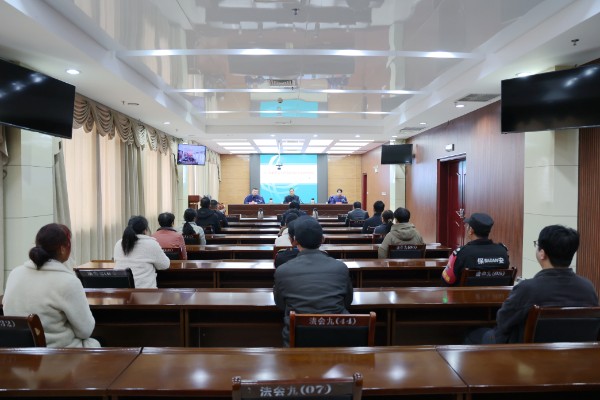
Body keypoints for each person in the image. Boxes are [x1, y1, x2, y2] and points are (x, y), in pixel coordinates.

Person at [465, 225, 599, 344]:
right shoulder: (588, 288)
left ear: (542, 254)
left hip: (525, 357)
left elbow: (503, 322)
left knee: (471, 335)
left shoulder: (527, 288)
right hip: (574, 357)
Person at [2, 223, 100, 348]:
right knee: (95, 343)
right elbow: (85, 331)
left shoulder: (15, 273)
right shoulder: (68, 282)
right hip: (56, 353)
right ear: (63, 249)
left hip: (16, 351)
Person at [273, 216, 354, 347]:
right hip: (338, 338)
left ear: (294, 241)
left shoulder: (282, 270)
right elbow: (347, 301)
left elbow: (281, 304)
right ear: (322, 240)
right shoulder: (341, 267)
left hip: (297, 339)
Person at [441, 212, 509, 285]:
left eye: (468, 226)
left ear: (471, 230)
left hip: (466, 293)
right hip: (498, 293)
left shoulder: (462, 253)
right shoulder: (503, 252)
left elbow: (447, 280)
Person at [113, 215, 170, 288]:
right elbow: (165, 265)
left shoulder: (119, 244)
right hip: (144, 292)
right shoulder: (151, 244)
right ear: (145, 230)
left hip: (122, 291)